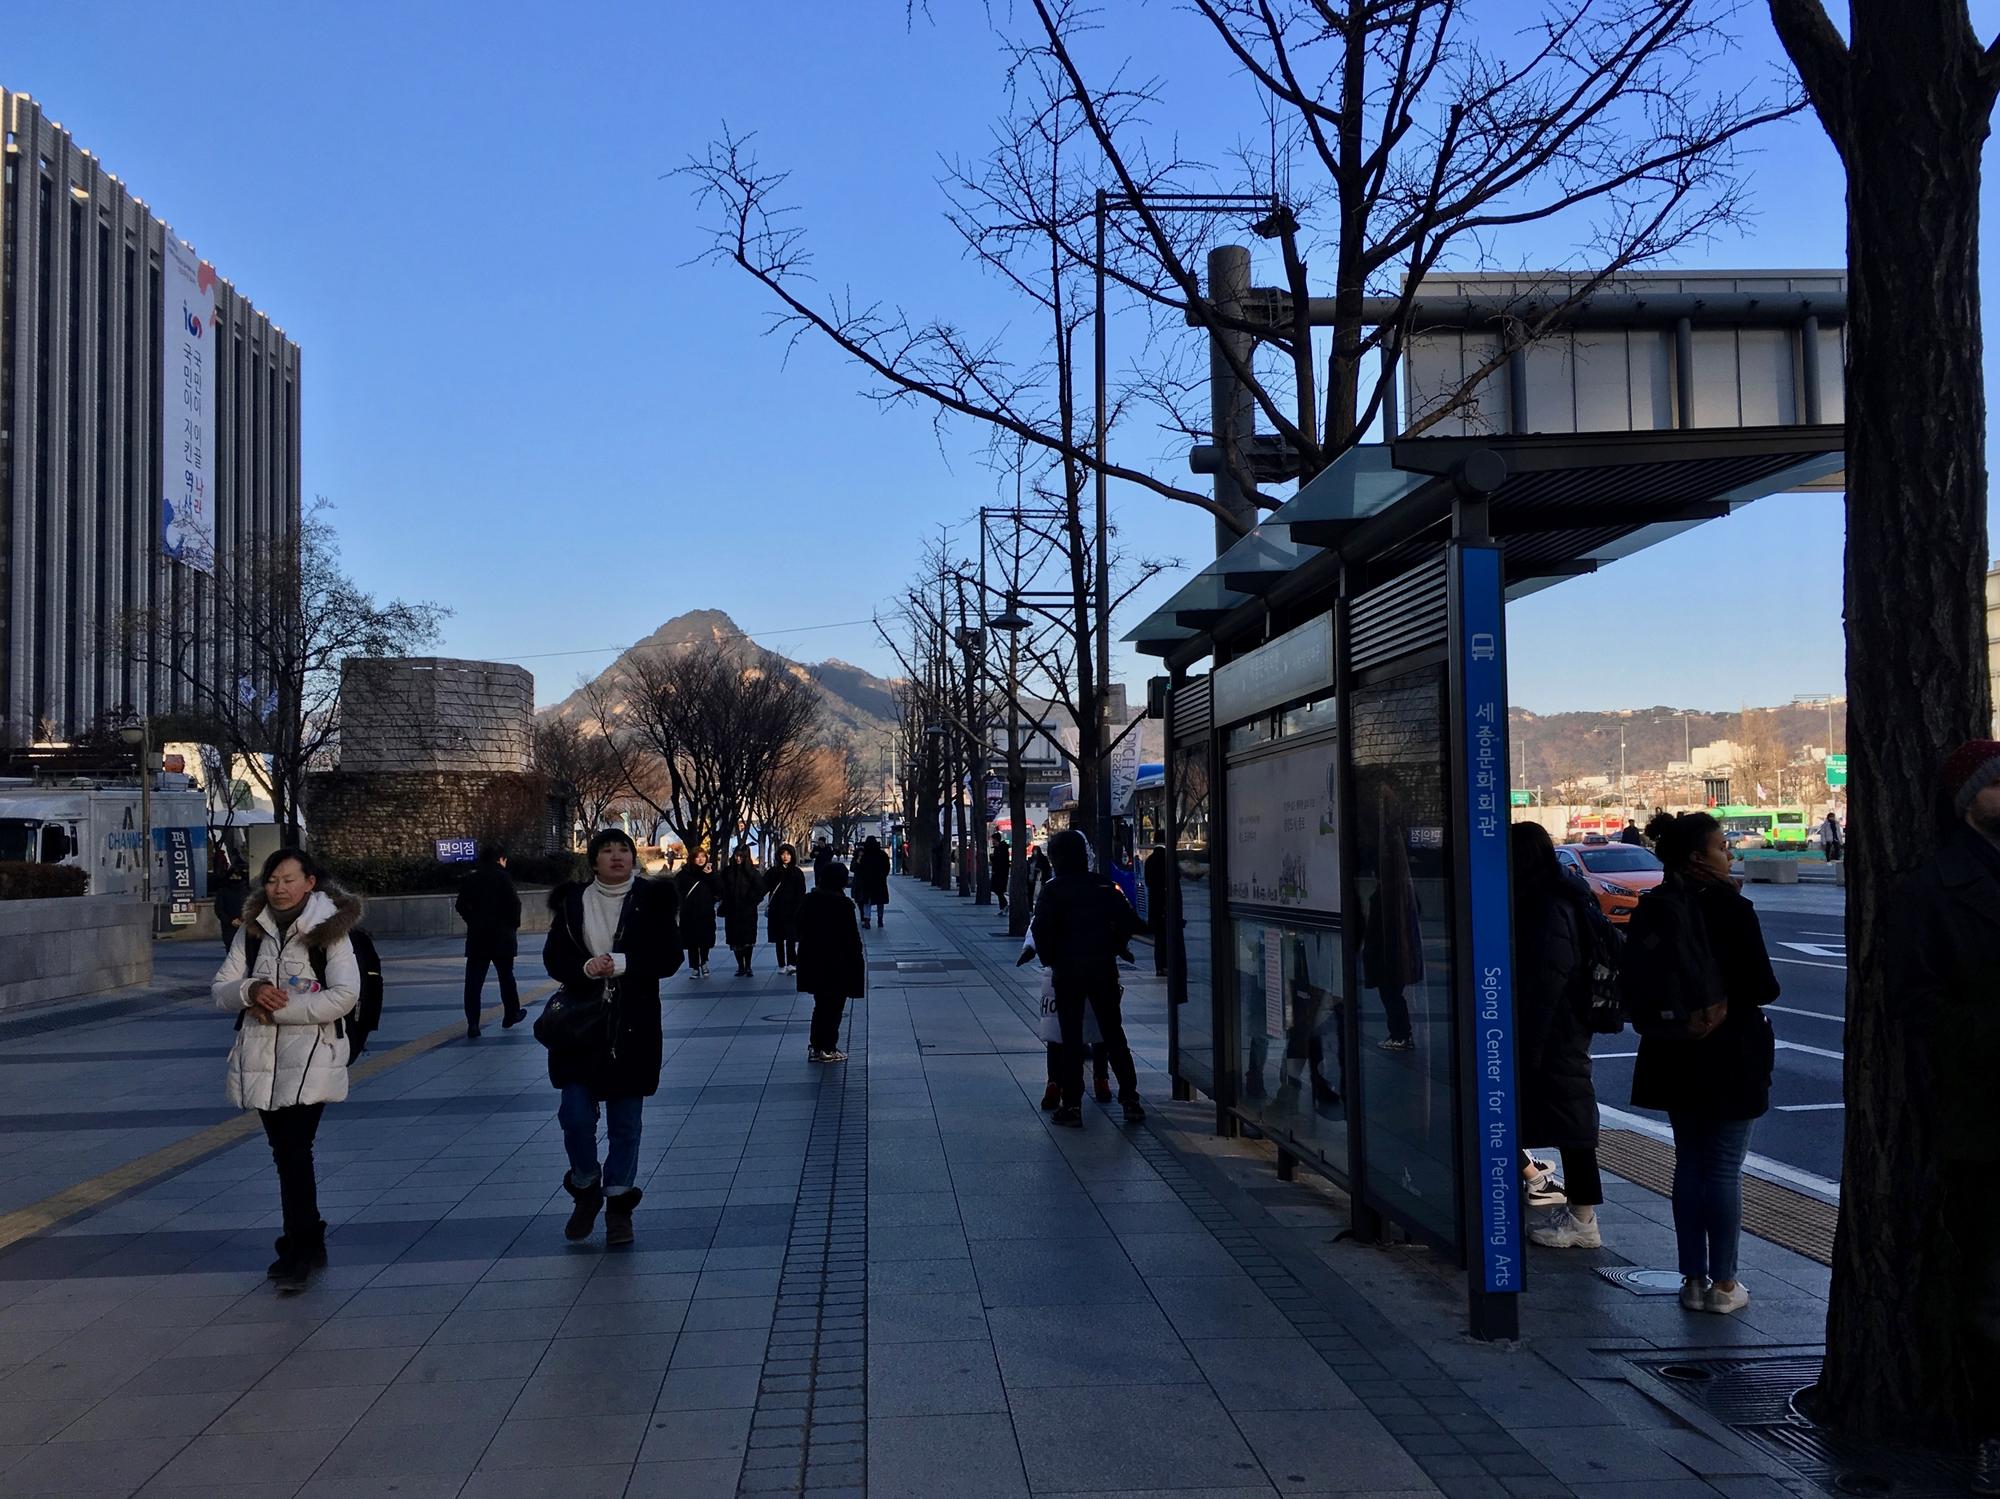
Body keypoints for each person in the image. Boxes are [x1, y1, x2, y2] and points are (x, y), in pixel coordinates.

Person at [1887, 741, 2000, 1490]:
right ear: (1970, 800)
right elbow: (1917, 1005)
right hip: (1984, 1114)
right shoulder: (1933, 888)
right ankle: (1984, 1422)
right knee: (1987, 1287)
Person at [1632, 810, 1778, 1315]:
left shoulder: (1654, 906)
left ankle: (1691, 1279)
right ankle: (1725, 1285)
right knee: (1722, 1169)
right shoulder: (1731, 909)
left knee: (1689, 1163)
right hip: (1731, 1051)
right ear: (1698, 856)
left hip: (1673, 1049)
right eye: (1722, 846)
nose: (1729, 853)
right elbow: (1763, 985)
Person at [210, 849, 362, 1292]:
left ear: (309, 882)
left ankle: (298, 1248)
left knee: (295, 1150)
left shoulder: (329, 931)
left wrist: (279, 1010)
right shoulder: (252, 931)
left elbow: (344, 996)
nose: (279, 888)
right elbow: (220, 989)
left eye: (289, 879)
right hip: (261, 1058)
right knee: (285, 1153)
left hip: (312, 1055)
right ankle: (308, 1236)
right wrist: (251, 989)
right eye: (273, 879)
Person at [542, 829, 681, 1246]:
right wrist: (585, 969)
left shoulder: (654, 899)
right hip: (581, 1026)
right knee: (575, 1116)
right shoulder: (572, 902)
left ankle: (619, 1206)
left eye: (624, 849)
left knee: (626, 1124)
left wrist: (624, 963)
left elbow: (670, 956)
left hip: (632, 1024)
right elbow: (555, 957)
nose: (617, 857)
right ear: (594, 860)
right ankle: (585, 1185)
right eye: (607, 850)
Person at [1511, 822, 1609, 1249]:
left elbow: (1546, 979)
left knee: (1572, 1118)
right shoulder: (1562, 894)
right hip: (1563, 1024)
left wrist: (1528, 1042)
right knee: (1569, 1115)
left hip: (1557, 1027)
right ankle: (1555, 1194)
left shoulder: (1545, 905)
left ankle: (1583, 1219)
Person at [1030, 829, 1144, 1128]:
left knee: (1071, 1038)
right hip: (1102, 967)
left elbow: (1041, 930)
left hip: (1067, 971)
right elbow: (1130, 922)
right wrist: (1116, 944)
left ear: (1056, 859)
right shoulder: (1104, 886)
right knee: (1113, 1032)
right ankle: (1130, 1099)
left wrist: (1050, 959)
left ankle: (1072, 1105)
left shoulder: (1053, 890)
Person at [794, 860, 865, 1062]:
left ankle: (816, 1047)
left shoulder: (810, 900)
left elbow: (799, 927)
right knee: (834, 1007)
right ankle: (828, 1047)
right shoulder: (843, 905)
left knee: (820, 1006)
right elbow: (852, 939)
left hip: (813, 961)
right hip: (837, 964)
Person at [455, 846, 523, 1037]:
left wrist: (472, 920)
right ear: (500, 859)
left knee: (474, 982)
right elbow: (515, 904)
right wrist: (512, 926)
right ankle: (511, 1013)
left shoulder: (471, 878)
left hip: (478, 937)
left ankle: (473, 1023)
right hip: (502, 937)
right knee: (506, 977)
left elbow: (460, 905)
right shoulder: (503, 878)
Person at [719, 846, 764, 977]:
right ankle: (740, 966)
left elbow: (761, 889)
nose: (738, 859)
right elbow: (721, 888)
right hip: (732, 911)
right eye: (736, 856)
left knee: (748, 940)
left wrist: (752, 901)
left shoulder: (752, 873)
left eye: (741, 856)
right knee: (735, 940)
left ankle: (748, 965)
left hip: (747, 911)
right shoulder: (728, 872)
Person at [765, 843, 808, 975]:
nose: (785, 856)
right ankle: (781, 964)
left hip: (792, 911)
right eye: (783, 854)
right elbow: (763, 886)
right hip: (776, 910)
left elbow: (801, 892)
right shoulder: (773, 872)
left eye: (788, 854)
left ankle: (792, 963)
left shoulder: (797, 873)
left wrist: (800, 909)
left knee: (791, 938)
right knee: (779, 939)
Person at [674, 850, 718, 978]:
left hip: (706, 912)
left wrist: (711, 876)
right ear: (692, 859)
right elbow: (676, 891)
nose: (700, 860)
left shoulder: (710, 873)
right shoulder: (683, 875)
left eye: (703, 857)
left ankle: (704, 962)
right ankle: (694, 967)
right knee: (692, 941)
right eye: (697, 857)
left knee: (705, 940)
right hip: (689, 913)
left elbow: (719, 889)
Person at [213, 855, 250, 953]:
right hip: (229, 927)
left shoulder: (248, 891)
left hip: (246, 925)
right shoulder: (223, 891)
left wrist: (245, 919)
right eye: (233, 875)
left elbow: (253, 907)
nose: (235, 878)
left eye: (237, 875)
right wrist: (230, 921)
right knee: (231, 951)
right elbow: (219, 909)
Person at [853, 835, 891, 928]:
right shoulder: (882, 854)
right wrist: (883, 876)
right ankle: (880, 919)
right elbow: (887, 867)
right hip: (880, 881)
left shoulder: (864, 855)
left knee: (867, 902)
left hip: (867, 881)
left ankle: (867, 920)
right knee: (880, 902)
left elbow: (857, 868)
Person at [1142, 844, 1168, 976]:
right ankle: (1167, 965)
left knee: (1158, 939)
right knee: (1167, 937)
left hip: (1154, 903)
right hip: (1166, 902)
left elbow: (1147, 881)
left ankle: (1159, 967)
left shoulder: (1150, 860)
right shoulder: (1167, 859)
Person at [989, 833, 1011, 913]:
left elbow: (1000, 861)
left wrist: (993, 858)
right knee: (998, 890)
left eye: (993, 839)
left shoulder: (1001, 848)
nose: (992, 841)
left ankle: (1004, 906)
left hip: (1000, 873)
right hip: (998, 872)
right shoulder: (998, 848)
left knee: (999, 890)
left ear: (996, 839)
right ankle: (1003, 907)